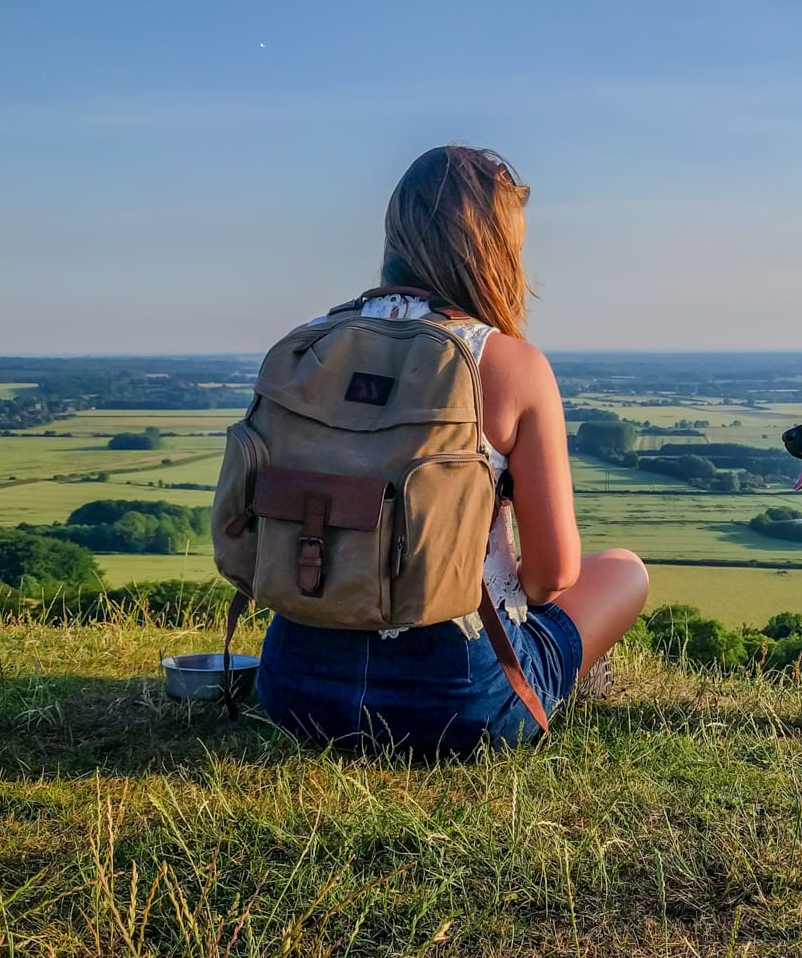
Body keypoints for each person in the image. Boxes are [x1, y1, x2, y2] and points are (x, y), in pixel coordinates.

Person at [256, 145, 649, 756]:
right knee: (623, 570)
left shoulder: (304, 348)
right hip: (460, 706)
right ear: (494, 252)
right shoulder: (509, 364)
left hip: (294, 690)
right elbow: (552, 577)